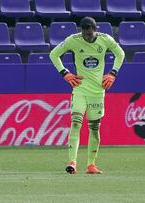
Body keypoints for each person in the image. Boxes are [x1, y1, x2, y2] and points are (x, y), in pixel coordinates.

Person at [50, 17, 125, 174]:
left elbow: (121, 54)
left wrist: (113, 73)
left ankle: (91, 165)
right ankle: (72, 162)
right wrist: (65, 73)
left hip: (98, 92)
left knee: (94, 128)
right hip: (80, 90)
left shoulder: (106, 40)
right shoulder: (73, 40)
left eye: (90, 35)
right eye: (85, 35)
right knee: (76, 123)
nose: (87, 37)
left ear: (95, 29)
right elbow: (54, 54)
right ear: (81, 31)